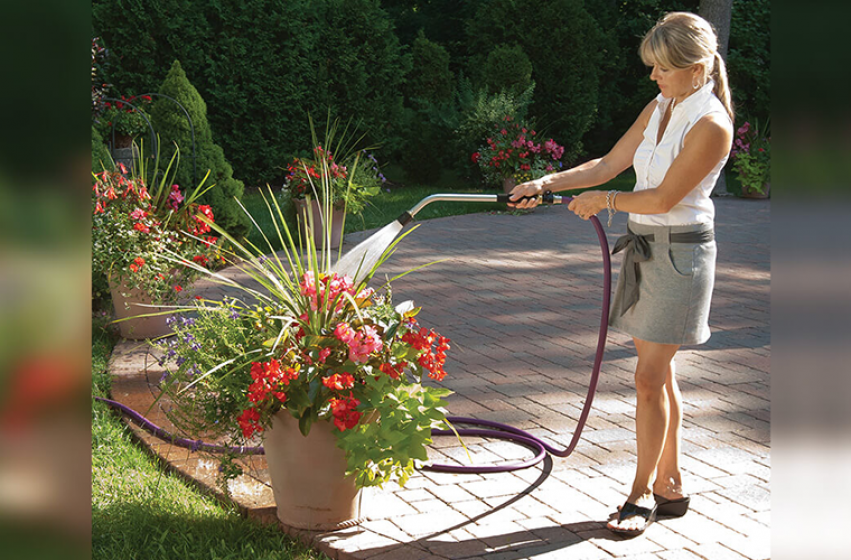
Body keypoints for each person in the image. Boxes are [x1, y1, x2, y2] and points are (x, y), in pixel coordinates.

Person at [509, 12, 734, 536]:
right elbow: (610, 162)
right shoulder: (661, 106)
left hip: (681, 257)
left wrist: (603, 202)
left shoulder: (712, 126)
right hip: (647, 251)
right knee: (660, 376)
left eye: (661, 68)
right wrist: (545, 182)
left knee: (648, 378)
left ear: (697, 68)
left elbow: (661, 197)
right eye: (651, 67)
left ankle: (639, 496)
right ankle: (671, 484)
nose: (652, 77)